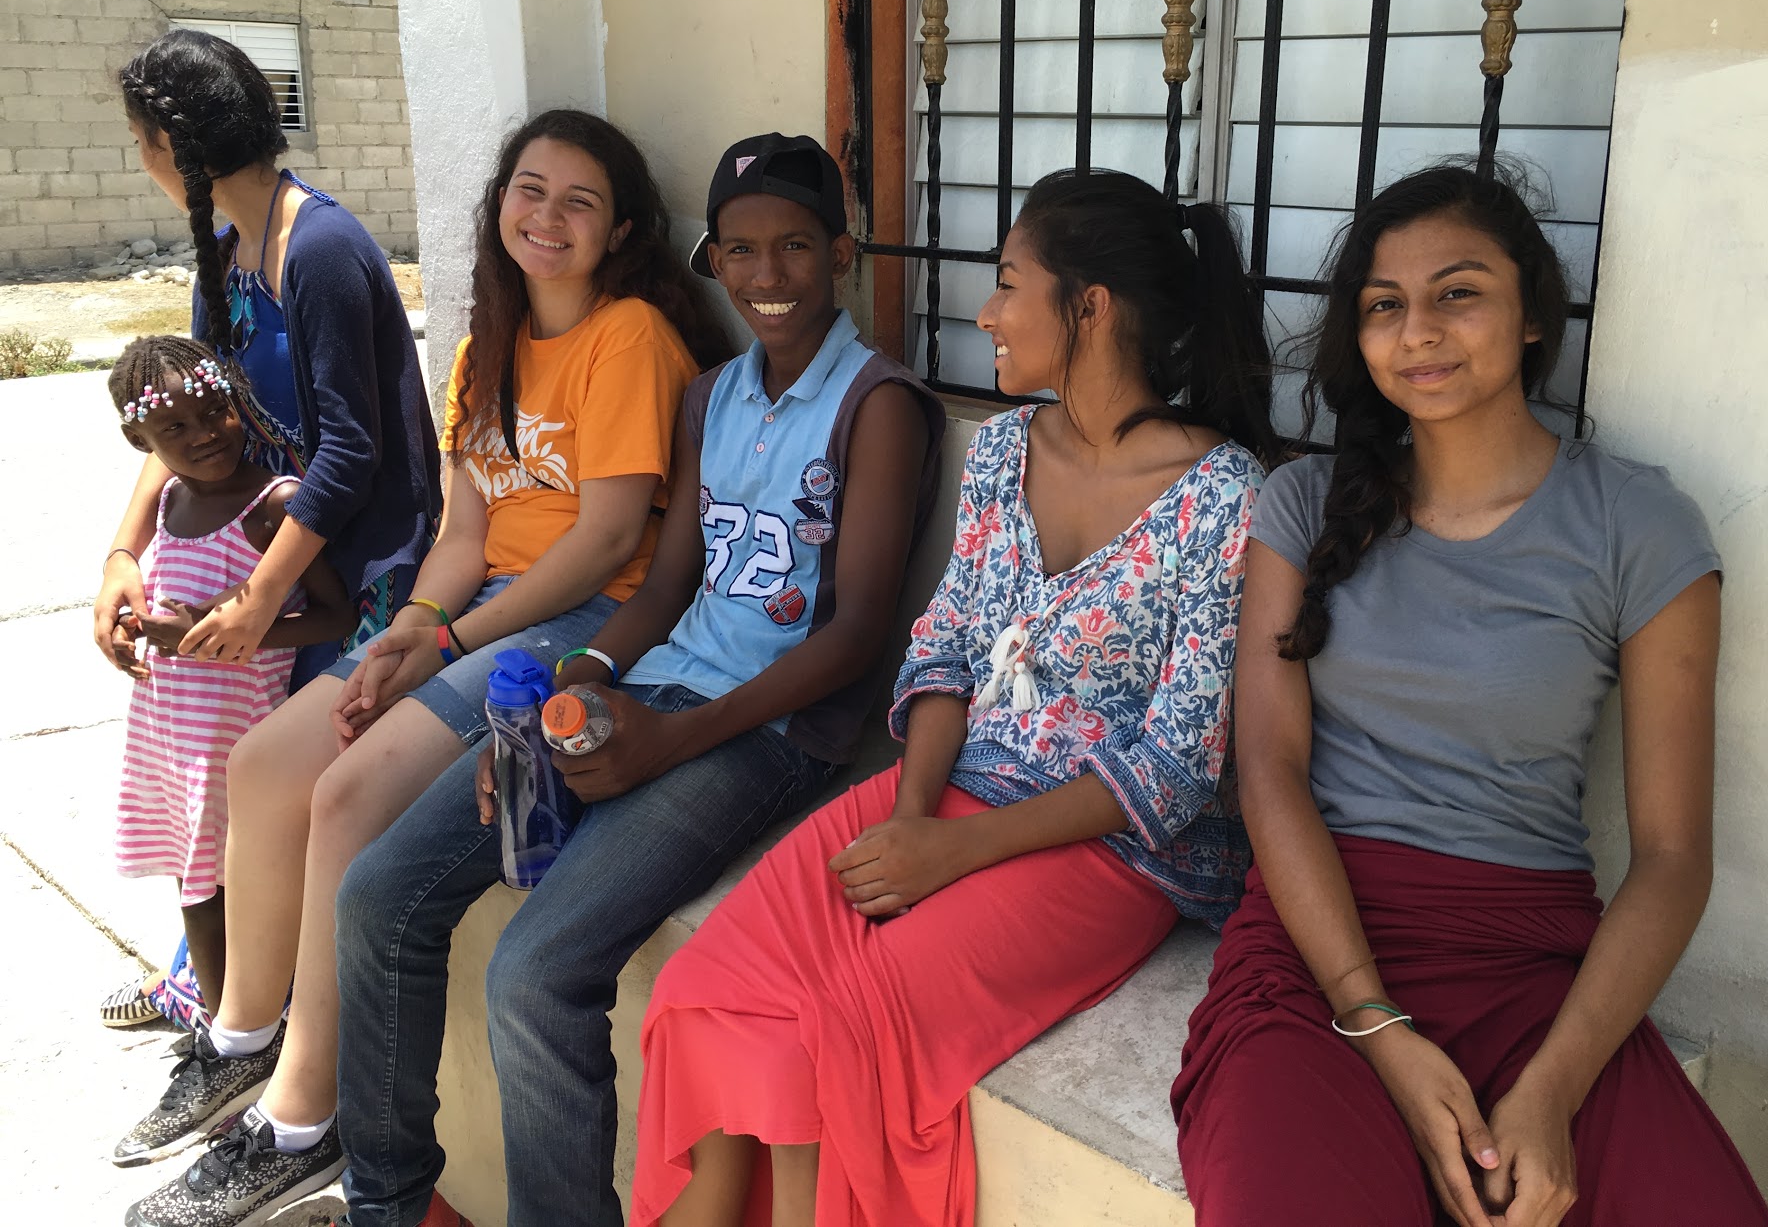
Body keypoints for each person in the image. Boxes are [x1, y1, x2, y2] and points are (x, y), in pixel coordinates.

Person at [631, 167, 1283, 1226]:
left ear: (1089, 308)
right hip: (953, 789)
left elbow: (1173, 770)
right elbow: (942, 649)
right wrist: (912, 815)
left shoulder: (1223, 496)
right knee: (714, 986)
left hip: (1111, 849)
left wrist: (956, 851)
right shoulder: (1003, 452)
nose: (986, 312)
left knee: (844, 1024)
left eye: (1009, 283)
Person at [119, 110, 732, 1227]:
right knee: (266, 765)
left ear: (621, 230)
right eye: (530, 190)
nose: (547, 217)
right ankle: (242, 1043)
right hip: (482, 608)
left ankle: (306, 1116)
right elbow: (465, 532)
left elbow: (606, 541)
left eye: (580, 202)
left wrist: (450, 643)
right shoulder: (483, 346)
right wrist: (415, 625)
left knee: (346, 793)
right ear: (498, 205)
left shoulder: (630, 337)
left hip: (585, 620)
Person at [331, 132, 944, 1227]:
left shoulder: (878, 402)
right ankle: (387, 1206)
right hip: (652, 689)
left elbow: (856, 637)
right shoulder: (711, 397)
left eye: (795, 247)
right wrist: (567, 688)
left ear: (841, 255)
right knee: (380, 895)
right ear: (713, 259)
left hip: (768, 734)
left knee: (536, 973)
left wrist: (667, 740)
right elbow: (663, 588)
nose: (766, 275)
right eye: (740, 250)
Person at [1171, 165, 1768, 1227]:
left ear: (1532, 314)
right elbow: (1269, 772)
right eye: (1384, 306)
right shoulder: (1303, 505)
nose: (1419, 332)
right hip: (1319, 955)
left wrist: (1553, 1090)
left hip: (1536, 968)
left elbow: (1674, 857)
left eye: (1458, 292)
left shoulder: (1637, 526)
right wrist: (1372, 1022)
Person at [96, 27, 442, 1030]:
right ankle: (211, 974)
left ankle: (250, 1014)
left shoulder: (320, 249)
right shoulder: (225, 255)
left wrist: (256, 600)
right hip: (278, 556)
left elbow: (351, 455)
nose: (141, 158)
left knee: (269, 769)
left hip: (361, 574)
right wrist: (124, 555)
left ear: (169, 145)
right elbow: (186, 416)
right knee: (197, 739)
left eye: (140, 139)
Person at [104, 336, 355, 1027]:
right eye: (175, 427)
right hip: (167, 736)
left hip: (231, 738)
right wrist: (136, 628)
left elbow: (335, 614)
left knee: (216, 890)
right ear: (140, 441)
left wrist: (221, 632)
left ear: (238, 403)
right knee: (192, 878)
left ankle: (230, 1035)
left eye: (216, 410)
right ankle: (215, 1015)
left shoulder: (275, 505)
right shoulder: (164, 505)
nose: (205, 434)